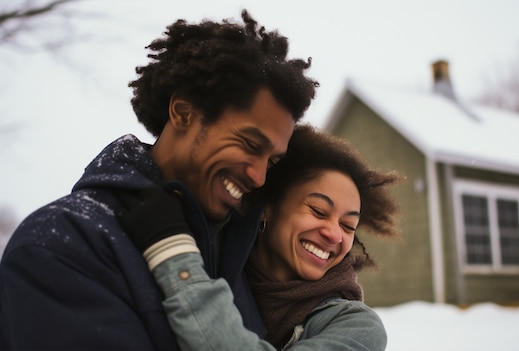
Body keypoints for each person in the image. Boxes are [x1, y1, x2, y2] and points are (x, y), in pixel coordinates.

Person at [0, 10, 317, 350]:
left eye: (271, 161)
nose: (258, 176)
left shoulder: (246, 259)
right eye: (250, 145)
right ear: (183, 113)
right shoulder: (63, 242)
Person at [115, 124, 403, 350]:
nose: (333, 234)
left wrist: (174, 258)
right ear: (267, 208)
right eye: (318, 210)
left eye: (348, 226)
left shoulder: (357, 327)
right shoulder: (216, 260)